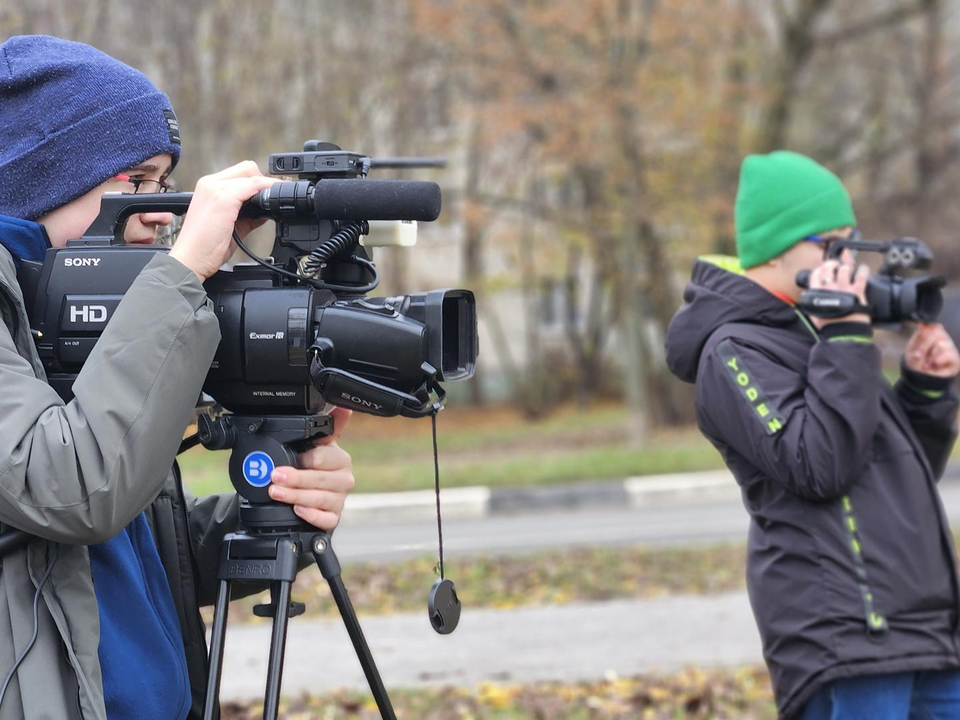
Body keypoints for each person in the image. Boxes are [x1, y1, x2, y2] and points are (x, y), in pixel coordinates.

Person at [0, 35, 356, 719]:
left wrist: (278, 508)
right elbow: (73, 489)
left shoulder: (77, 315)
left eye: (164, 184)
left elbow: (111, 548)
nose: (160, 214)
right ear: (36, 178)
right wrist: (182, 274)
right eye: (134, 183)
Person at [665, 150, 960, 719]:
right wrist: (847, 340)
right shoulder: (733, 350)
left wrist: (925, 392)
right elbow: (819, 466)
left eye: (854, 242)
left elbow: (891, 474)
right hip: (846, 635)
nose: (851, 263)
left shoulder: (821, 329)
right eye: (831, 246)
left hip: (920, 625)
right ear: (776, 250)